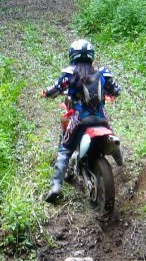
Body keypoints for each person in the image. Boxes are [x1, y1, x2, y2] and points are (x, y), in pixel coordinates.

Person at [40, 39, 121, 203]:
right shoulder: (103, 73)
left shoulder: (69, 74)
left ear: (72, 55)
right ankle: (119, 157)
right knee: (110, 132)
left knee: (65, 149)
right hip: (101, 119)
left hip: (80, 120)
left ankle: (56, 186)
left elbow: (55, 89)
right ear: (91, 55)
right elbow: (116, 90)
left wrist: (45, 93)